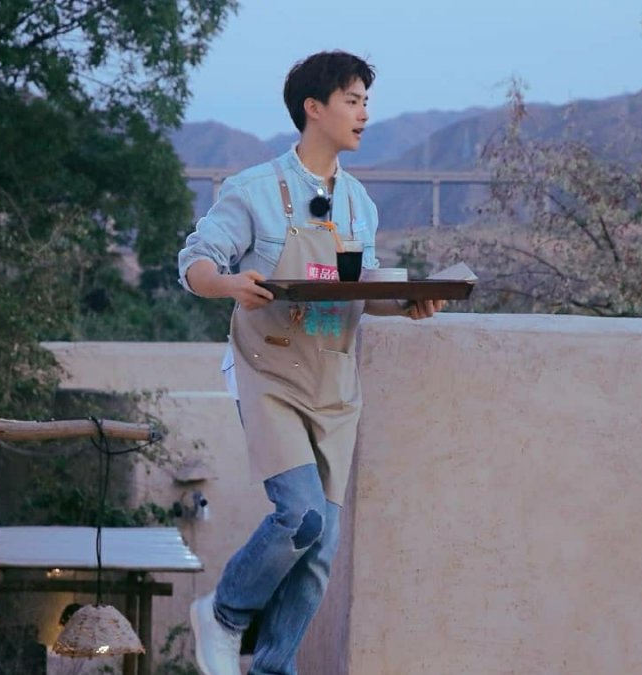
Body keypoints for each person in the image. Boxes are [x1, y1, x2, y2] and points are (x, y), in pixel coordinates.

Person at [177, 50, 444, 675]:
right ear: (314, 108)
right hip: (269, 373)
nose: (364, 114)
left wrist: (408, 303)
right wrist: (229, 283)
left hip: (334, 380)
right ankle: (224, 614)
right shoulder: (253, 190)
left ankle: (273, 668)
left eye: (367, 102)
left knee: (320, 548)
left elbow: (357, 292)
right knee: (299, 516)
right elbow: (195, 262)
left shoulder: (359, 205)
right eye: (353, 101)